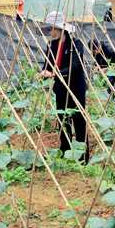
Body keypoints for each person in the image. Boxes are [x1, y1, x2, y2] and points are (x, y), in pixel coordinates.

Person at [40, 11, 89, 163]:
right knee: (62, 119)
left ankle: (83, 154)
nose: (50, 31)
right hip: (60, 88)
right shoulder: (51, 45)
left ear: (60, 28)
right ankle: (65, 148)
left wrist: (55, 73)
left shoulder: (75, 44)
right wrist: (44, 72)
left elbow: (75, 66)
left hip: (75, 88)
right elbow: (47, 65)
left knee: (79, 119)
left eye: (53, 28)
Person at [89, 39, 115, 109]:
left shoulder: (110, 50)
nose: (95, 52)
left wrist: (105, 69)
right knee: (109, 87)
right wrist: (96, 67)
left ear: (99, 46)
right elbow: (98, 61)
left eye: (96, 50)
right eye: (93, 51)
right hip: (110, 65)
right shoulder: (95, 51)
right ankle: (112, 104)